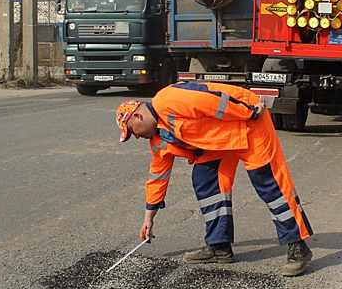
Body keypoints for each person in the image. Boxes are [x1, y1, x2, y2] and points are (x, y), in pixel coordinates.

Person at [116, 82, 314, 276]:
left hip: (249, 121)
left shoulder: (167, 100)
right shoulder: (158, 140)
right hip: (220, 140)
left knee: (269, 183)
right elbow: (157, 178)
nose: (135, 137)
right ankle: (219, 246)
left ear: (138, 116)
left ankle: (298, 246)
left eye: (132, 131)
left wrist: (250, 111)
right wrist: (148, 218)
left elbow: (213, 102)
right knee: (206, 179)